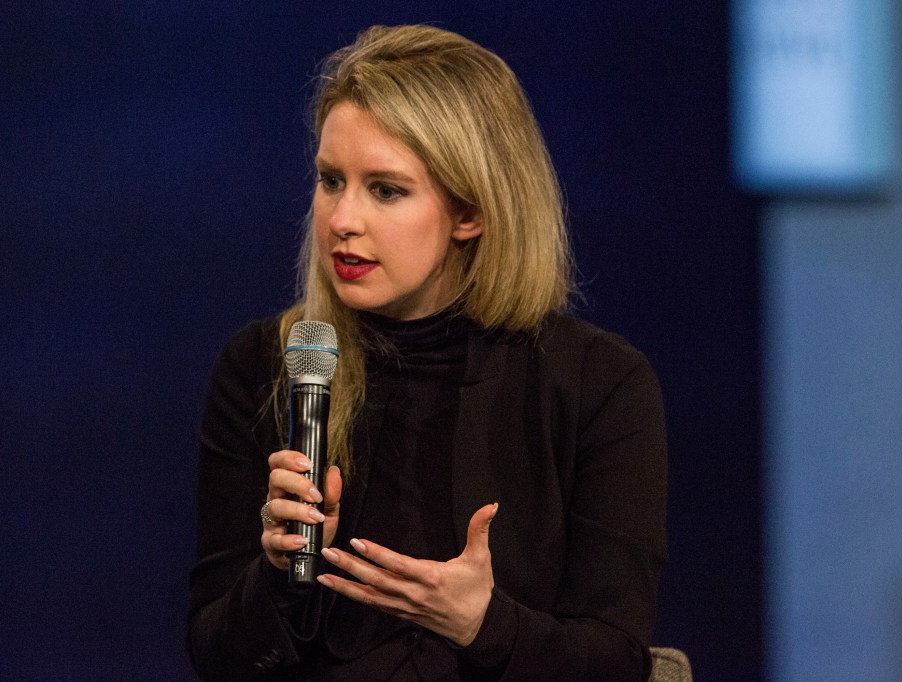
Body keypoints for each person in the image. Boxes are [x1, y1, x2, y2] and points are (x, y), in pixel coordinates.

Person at [187, 24, 667, 681]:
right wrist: (277, 575)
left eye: (385, 190)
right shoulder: (267, 367)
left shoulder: (596, 385)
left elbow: (617, 663)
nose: (342, 219)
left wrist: (484, 626)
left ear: (470, 212)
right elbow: (217, 657)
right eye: (331, 180)